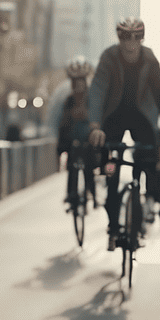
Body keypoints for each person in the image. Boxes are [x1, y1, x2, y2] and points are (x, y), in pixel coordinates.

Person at [88, 17, 160, 247]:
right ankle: (113, 226)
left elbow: (159, 95)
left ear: (142, 37)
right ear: (119, 37)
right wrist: (95, 125)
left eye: (136, 36)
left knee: (151, 158)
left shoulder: (149, 58)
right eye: (125, 36)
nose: (131, 42)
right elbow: (97, 91)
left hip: (142, 117)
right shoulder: (108, 57)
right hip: (113, 117)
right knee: (110, 170)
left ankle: (151, 200)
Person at [57, 56, 97, 208]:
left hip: (89, 141)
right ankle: (71, 194)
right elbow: (63, 124)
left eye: (81, 81)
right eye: (75, 82)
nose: (78, 85)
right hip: (73, 141)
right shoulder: (69, 101)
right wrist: (61, 148)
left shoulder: (92, 99)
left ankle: (91, 191)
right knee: (72, 166)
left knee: (90, 166)